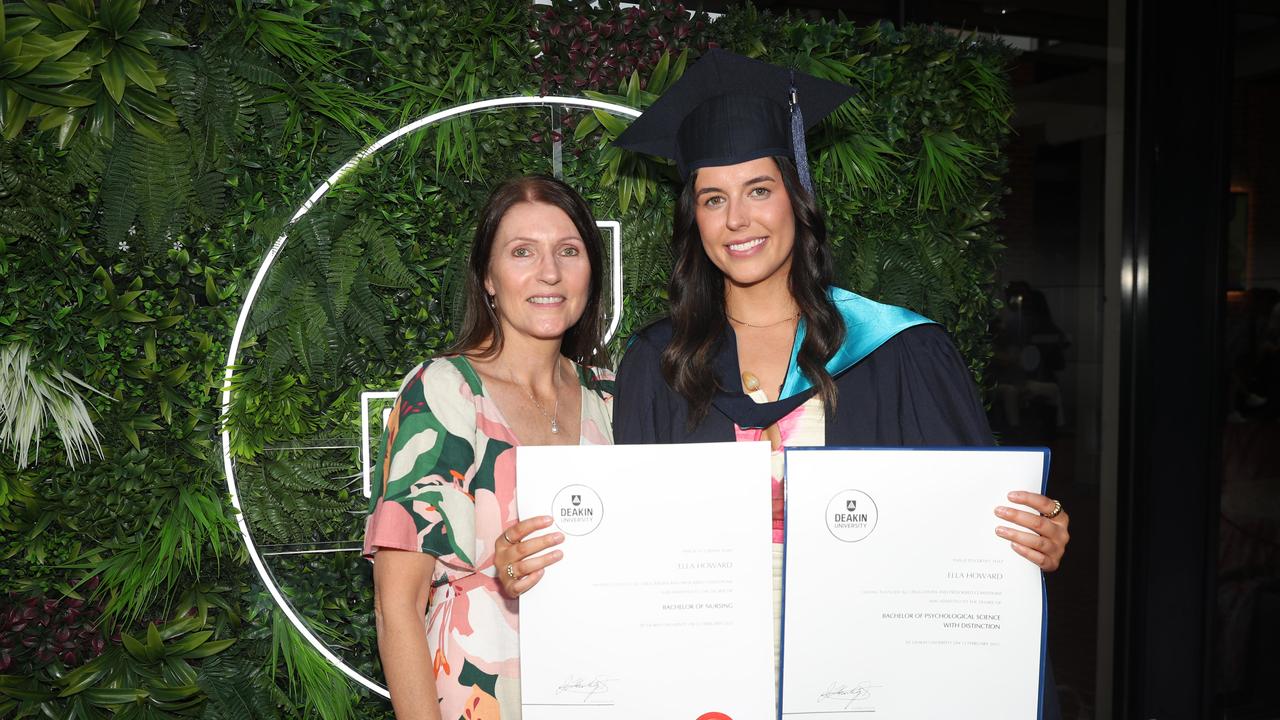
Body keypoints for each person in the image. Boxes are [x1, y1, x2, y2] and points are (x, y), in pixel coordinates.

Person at [607, 49, 1070, 714]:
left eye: (759, 190)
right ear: (694, 219)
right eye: (714, 198)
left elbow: (969, 537)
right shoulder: (658, 367)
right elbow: (631, 562)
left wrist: (1029, 544)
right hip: (706, 693)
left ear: (797, 197)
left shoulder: (896, 351)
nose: (738, 219)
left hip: (866, 691)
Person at [363, 176, 613, 720]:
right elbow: (395, 607)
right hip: (479, 695)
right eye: (522, 252)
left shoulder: (613, 396)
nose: (549, 272)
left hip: (603, 688)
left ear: (591, 272)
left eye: (568, 251)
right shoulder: (444, 392)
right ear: (488, 279)